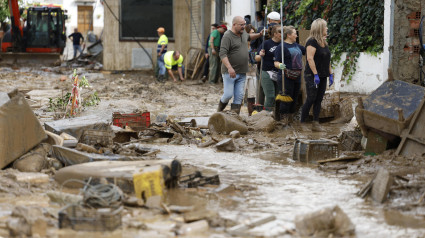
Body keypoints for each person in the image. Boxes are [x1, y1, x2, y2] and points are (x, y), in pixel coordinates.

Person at [217, 16, 263, 114]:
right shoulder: (227, 36)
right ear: (234, 25)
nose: (243, 26)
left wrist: (259, 34)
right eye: (241, 25)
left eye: (244, 24)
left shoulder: (243, 34)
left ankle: (234, 118)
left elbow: (250, 37)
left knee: (239, 96)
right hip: (230, 72)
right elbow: (222, 54)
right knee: (228, 94)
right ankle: (219, 111)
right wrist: (229, 68)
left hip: (242, 72)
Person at [300, 18, 333, 131]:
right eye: (325, 27)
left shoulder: (324, 42)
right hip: (312, 75)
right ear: (319, 28)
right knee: (311, 98)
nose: (327, 29)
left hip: (323, 76)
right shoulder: (311, 42)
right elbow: (309, 58)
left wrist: (331, 74)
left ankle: (315, 122)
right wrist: (315, 75)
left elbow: (327, 59)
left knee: (319, 99)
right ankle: (302, 122)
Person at [274, 26, 306, 125]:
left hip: (297, 75)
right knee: (286, 98)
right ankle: (284, 121)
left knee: (295, 98)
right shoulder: (281, 47)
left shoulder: (297, 45)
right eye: (294, 33)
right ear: (288, 35)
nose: (296, 35)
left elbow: (307, 51)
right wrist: (280, 65)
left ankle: (291, 120)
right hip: (285, 76)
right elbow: (275, 62)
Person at [255, 25, 281, 112]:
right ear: (275, 34)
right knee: (270, 96)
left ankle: (275, 117)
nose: (283, 34)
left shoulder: (283, 44)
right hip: (266, 72)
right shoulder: (266, 43)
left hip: (278, 73)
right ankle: (266, 116)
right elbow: (256, 58)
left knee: (278, 97)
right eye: (280, 32)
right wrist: (261, 55)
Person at [245, 24, 257, 116]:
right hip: (243, 72)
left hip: (253, 72)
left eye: (254, 33)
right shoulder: (241, 44)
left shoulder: (255, 45)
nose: (253, 35)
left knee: (252, 94)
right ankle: (235, 114)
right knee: (240, 94)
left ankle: (251, 114)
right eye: (251, 33)